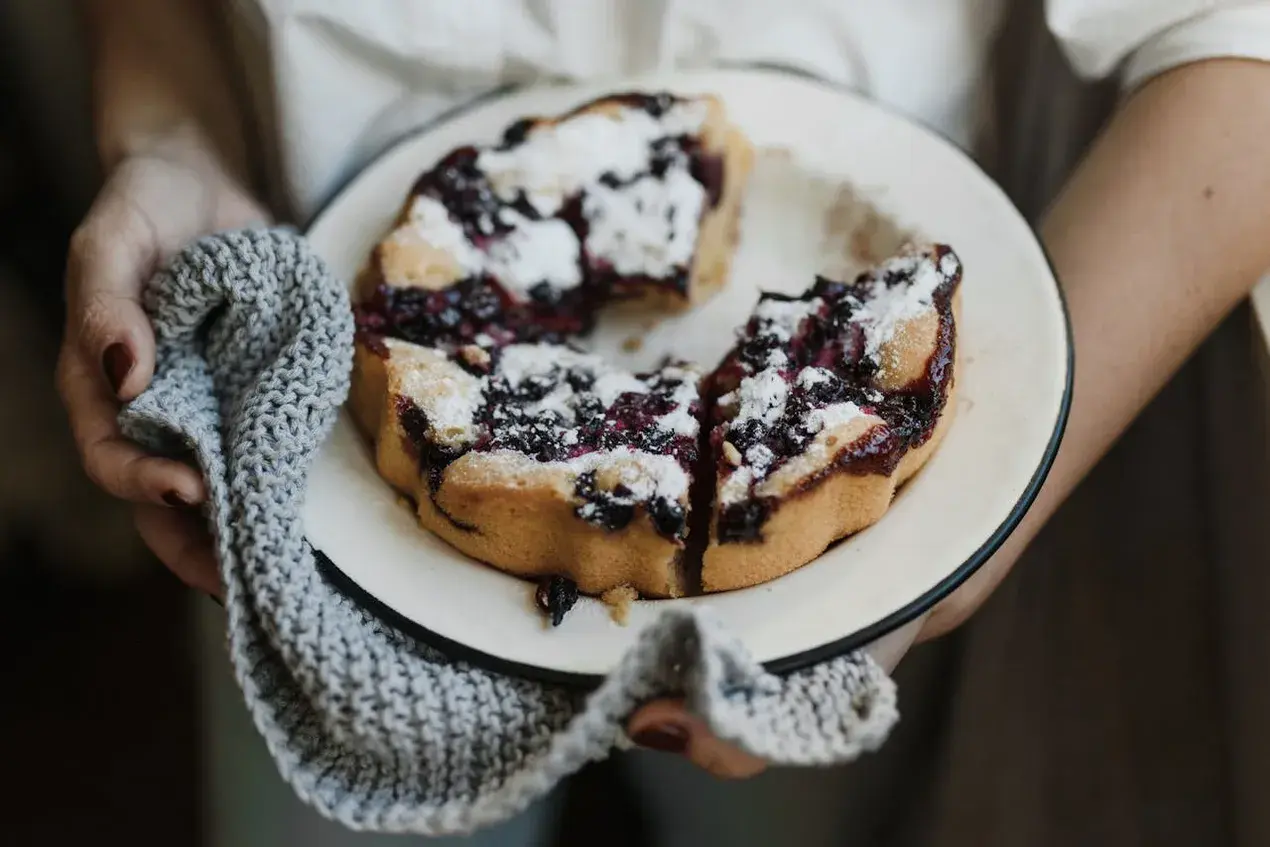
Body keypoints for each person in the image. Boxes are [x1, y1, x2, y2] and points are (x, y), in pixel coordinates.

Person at [59, 1, 1270, 844]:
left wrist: (977, 521)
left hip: (812, 603)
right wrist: (170, 144)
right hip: (315, 487)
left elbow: (1240, 46)